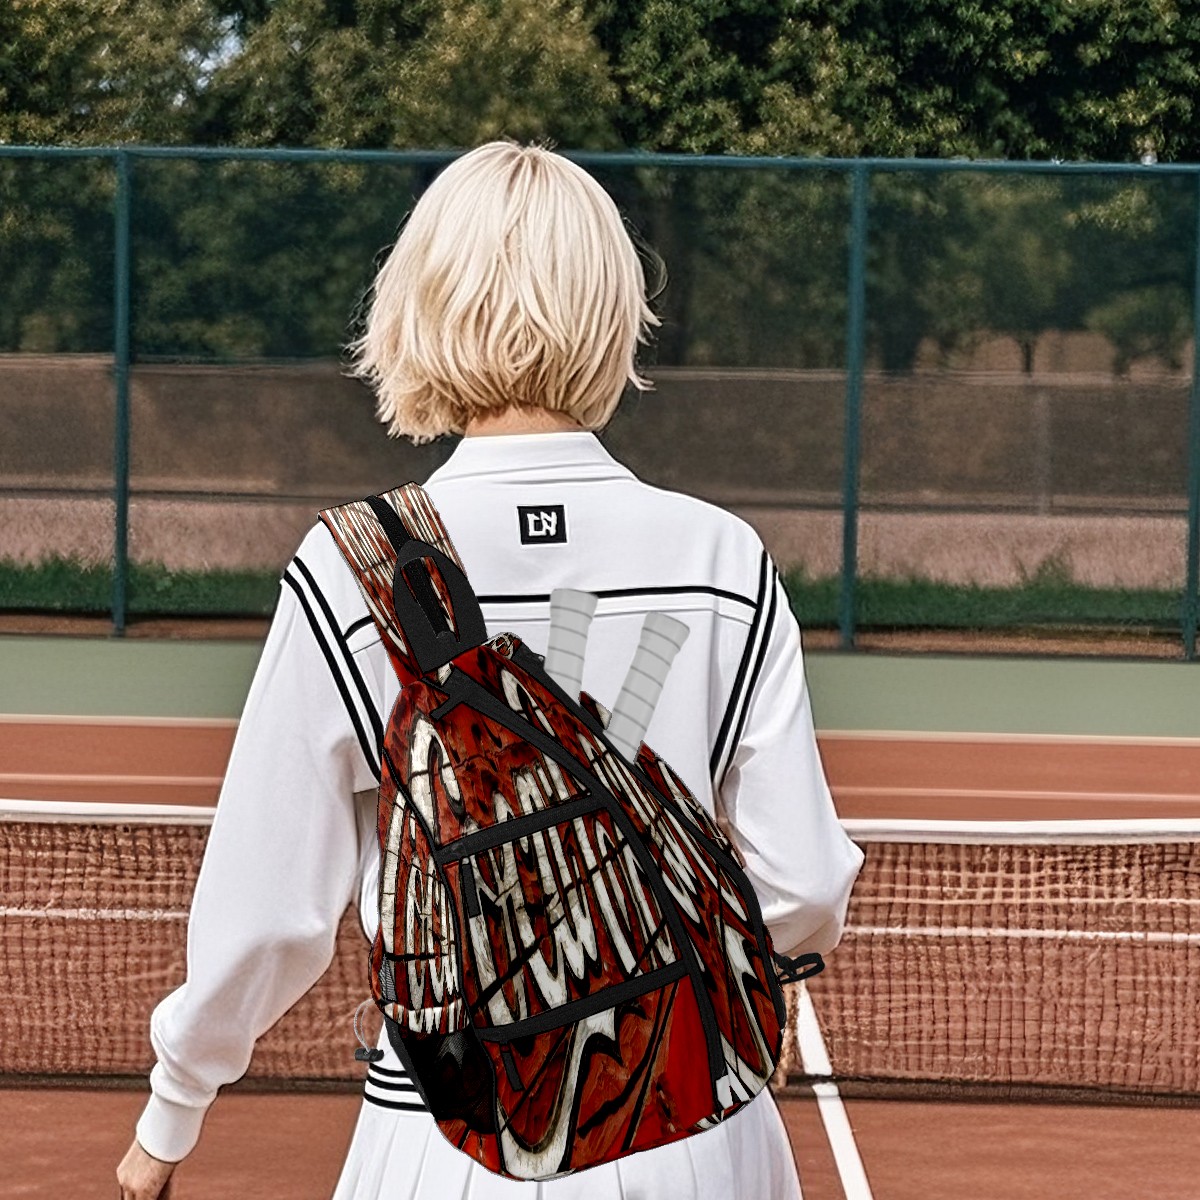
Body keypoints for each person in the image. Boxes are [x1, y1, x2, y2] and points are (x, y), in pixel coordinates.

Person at [118, 140, 864, 1200]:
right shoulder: (722, 558)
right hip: (692, 1118)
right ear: (614, 311)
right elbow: (806, 883)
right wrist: (740, 977)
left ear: (422, 306)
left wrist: (172, 1113)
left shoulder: (351, 568)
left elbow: (269, 913)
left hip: (446, 1132)